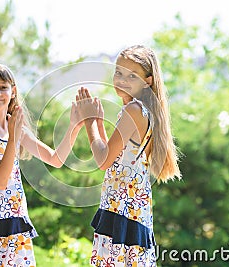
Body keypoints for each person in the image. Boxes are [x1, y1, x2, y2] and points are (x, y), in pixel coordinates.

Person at [0, 63, 83, 267]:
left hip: (17, 222)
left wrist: (75, 125)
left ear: (13, 91)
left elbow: (55, 159)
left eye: (3, 87)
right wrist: (13, 136)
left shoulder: (14, 124)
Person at [76, 45, 181, 266]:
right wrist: (96, 121)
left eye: (131, 76)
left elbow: (103, 161)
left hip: (121, 208)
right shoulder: (144, 111)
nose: (121, 80)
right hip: (131, 208)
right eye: (118, 73)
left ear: (148, 81)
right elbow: (114, 157)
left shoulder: (133, 110)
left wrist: (88, 122)